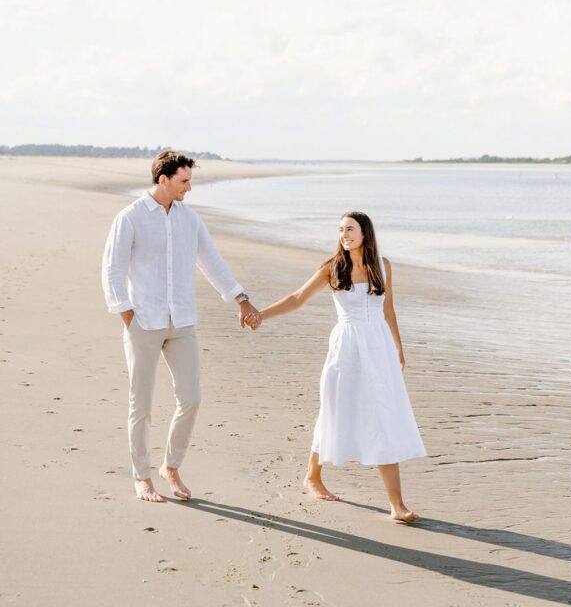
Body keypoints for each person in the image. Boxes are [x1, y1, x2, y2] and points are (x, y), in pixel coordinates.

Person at [101, 149, 261, 503]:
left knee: (191, 398)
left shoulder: (190, 219)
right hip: (143, 321)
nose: (189, 188)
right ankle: (142, 476)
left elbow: (212, 262)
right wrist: (128, 316)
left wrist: (241, 299)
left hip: (182, 322)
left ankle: (170, 466)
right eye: (184, 181)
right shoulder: (130, 217)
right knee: (140, 403)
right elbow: (112, 270)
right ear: (164, 179)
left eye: (190, 180)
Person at [259, 210, 426, 522]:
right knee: (334, 410)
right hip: (346, 348)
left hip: (378, 349)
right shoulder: (332, 267)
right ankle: (313, 476)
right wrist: (260, 314)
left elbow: (388, 310)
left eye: (350, 229)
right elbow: (297, 298)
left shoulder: (382, 266)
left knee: (382, 416)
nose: (344, 235)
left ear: (365, 232)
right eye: (340, 230)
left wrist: (398, 347)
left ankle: (396, 504)